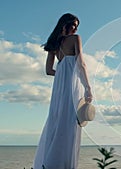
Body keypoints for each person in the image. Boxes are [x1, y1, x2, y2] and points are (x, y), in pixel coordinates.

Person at [33, 13, 92, 169]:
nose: (75, 28)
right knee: (70, 121)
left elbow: (49, 70)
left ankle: (51, 162)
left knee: (59, 119)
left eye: (76, 26)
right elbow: (81, 64)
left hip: (60, 85)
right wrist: (88, 88)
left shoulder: (54, 44)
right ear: (64, 24)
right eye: (72, 25)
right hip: (71, 84)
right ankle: (64, 164)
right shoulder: (75, 39)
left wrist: (62, 72)